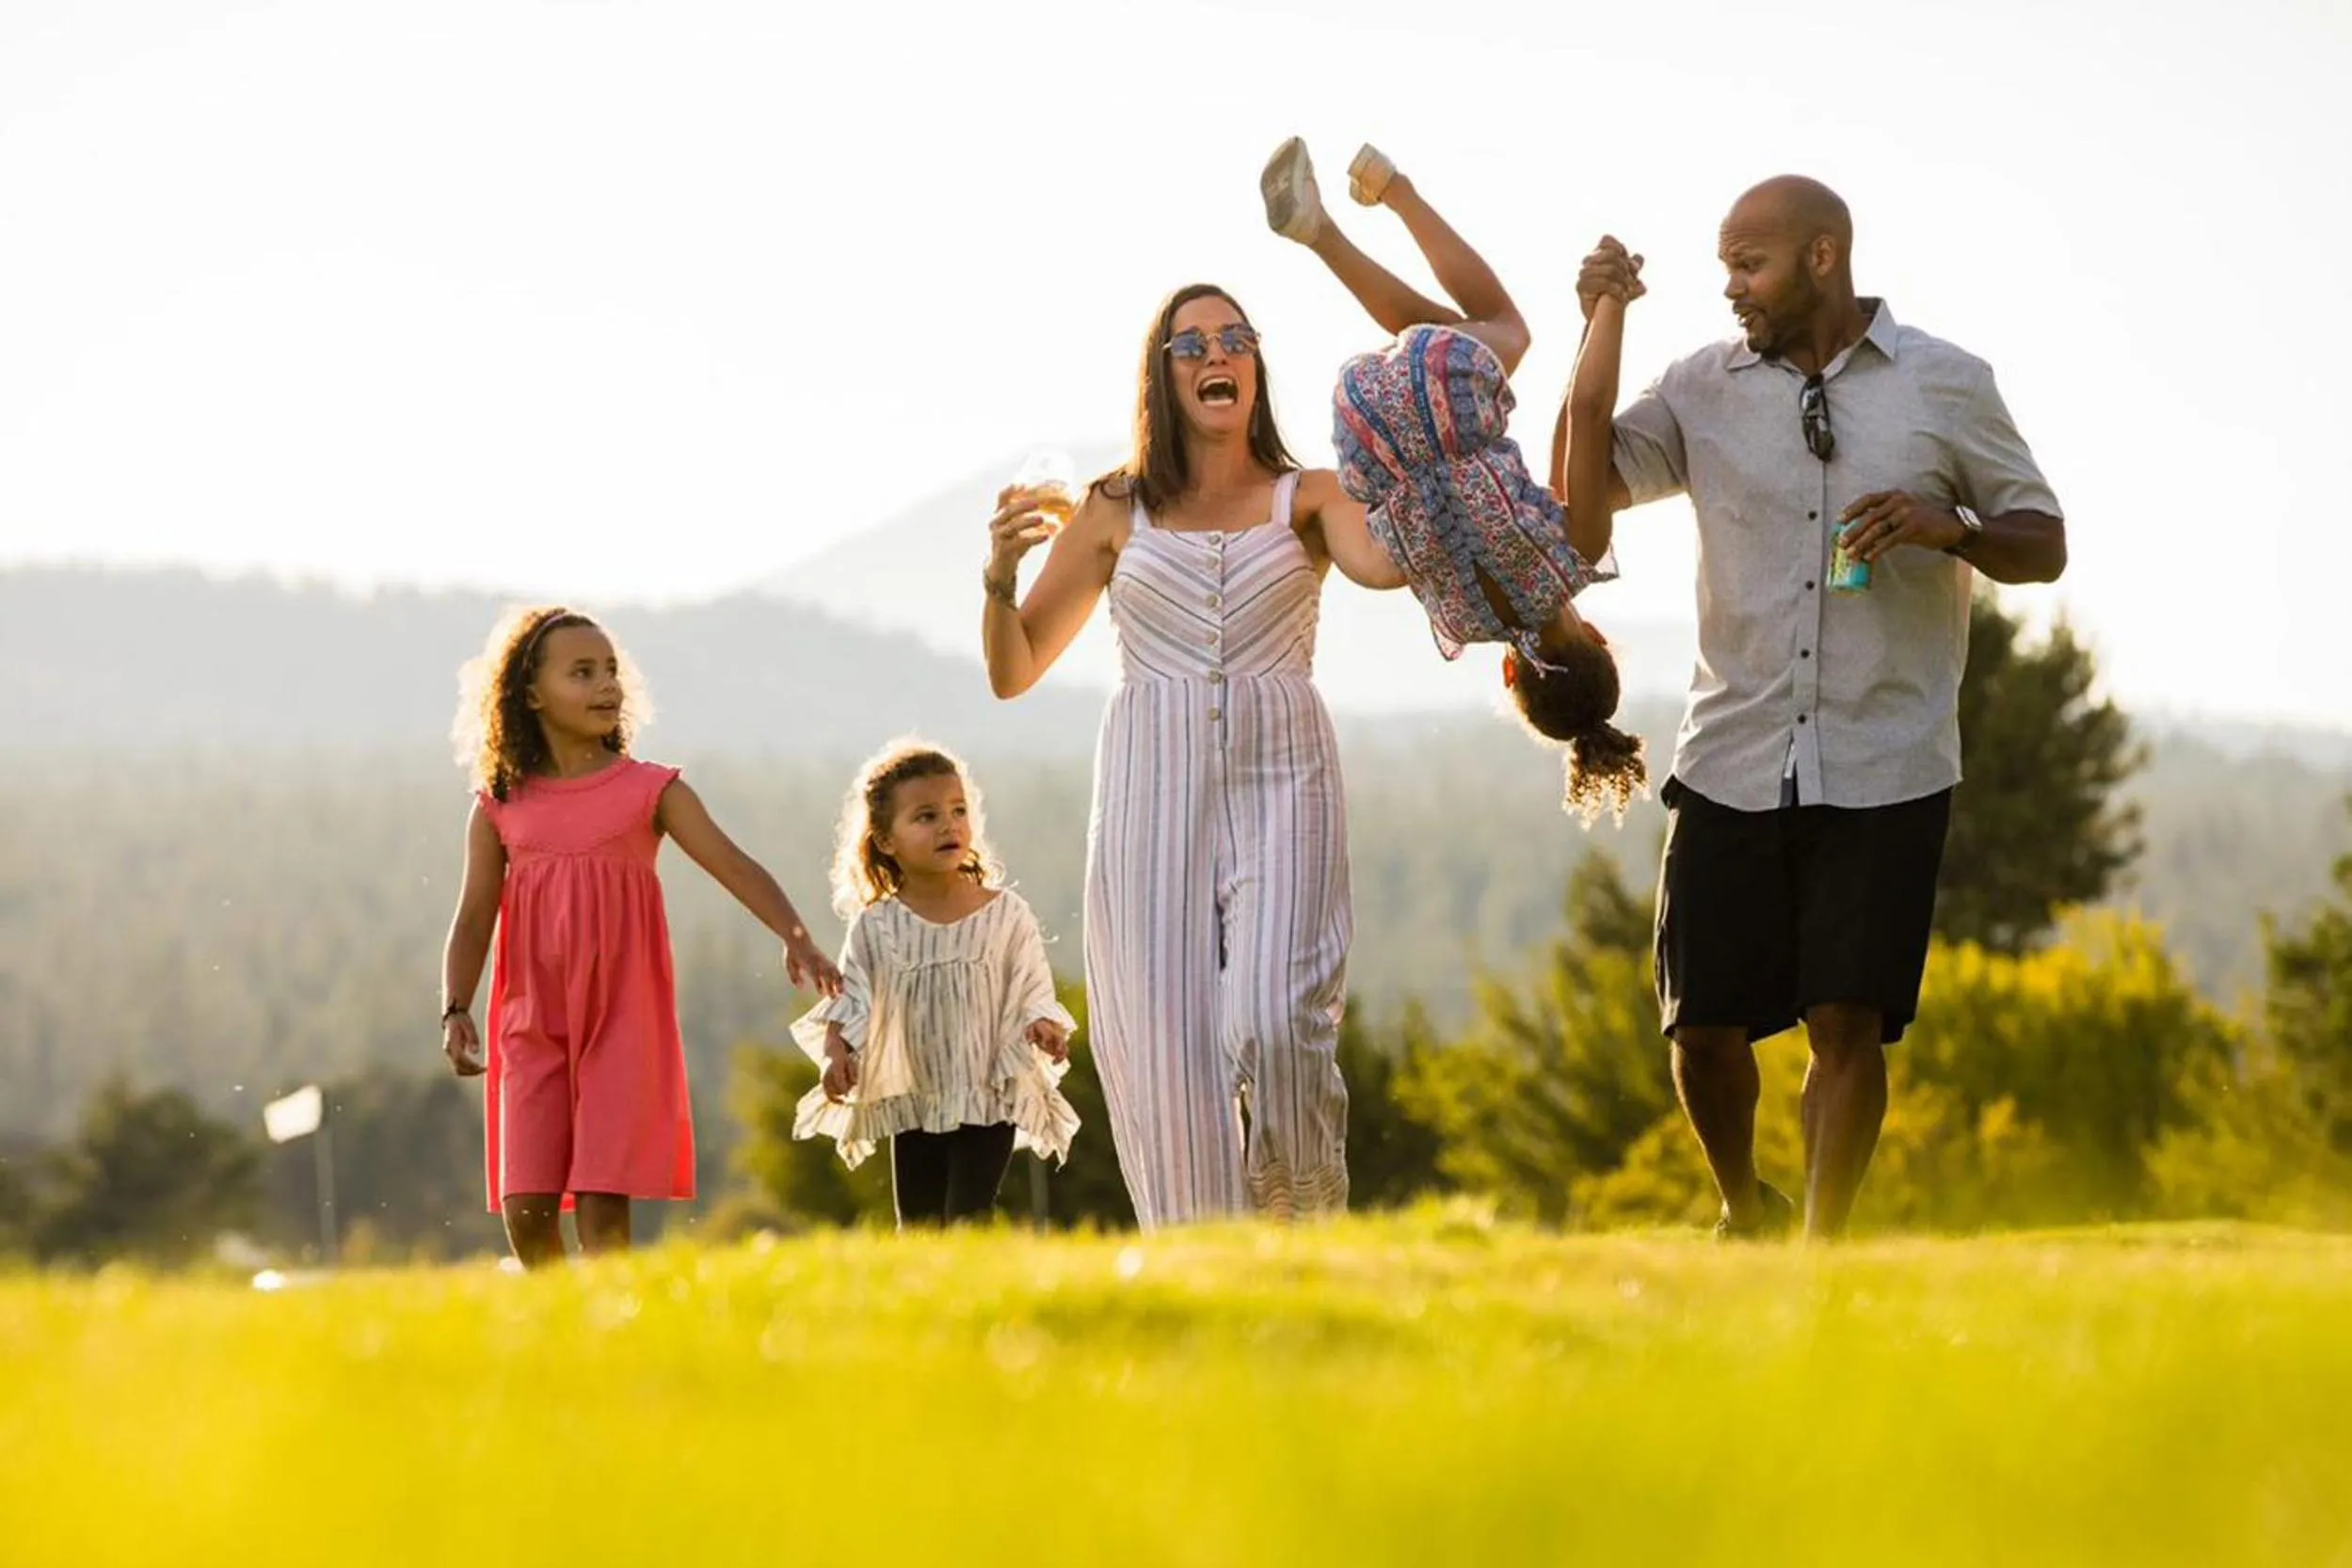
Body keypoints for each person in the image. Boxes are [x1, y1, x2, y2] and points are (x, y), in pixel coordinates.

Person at [1561, 177, 2068, 1240]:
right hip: (1734, 748)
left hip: (1887, 756)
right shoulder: (1700, 386)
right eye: (1726, 267)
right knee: (1700, 1029)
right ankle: (1744, 1208)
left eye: (1751, 265)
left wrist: (1950, 528)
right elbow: (1584, 500)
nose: (1733, 288)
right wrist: (1600, 323)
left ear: (1824, 257)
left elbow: (2043, 540)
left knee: (1849, 1020)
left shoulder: (1946, 384)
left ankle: (1819, 1256)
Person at [982, 282, 1399, 1230]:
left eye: (1236, 337)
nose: (1218, 353)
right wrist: (1000, 577)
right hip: (1148, 785)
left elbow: (1382, 565)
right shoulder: (1114, 507)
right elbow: (1014, 668)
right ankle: (1204, 1263)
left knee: (1277, 1019)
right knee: (1164, 1061)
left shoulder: (1313, 496)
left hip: (1286, 768)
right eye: (1192, 343)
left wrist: (1430, 463)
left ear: (1255, 366)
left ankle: (1306, 1219)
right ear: (1162, 377)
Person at [438, 605, 841, 1267]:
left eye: (610, 671)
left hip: (622, 1017)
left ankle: (610, 1330)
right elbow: (474, 914)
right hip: (530, 1020)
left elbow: (734, 865)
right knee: (527, 1205)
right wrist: (456, 1005)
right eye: (582, 673)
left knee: (601, 1197)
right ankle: (559, 1332)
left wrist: (797, 938)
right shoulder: (499, 804)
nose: (606, 687)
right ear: (531, 694)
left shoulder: (650, 791)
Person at [1261, 137, 1647, 821]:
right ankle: (1318, 232)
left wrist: (1609, 307)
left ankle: (1394, 190)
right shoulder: (1458, 618)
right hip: (1360, 420)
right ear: (1509, 673)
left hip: (1446, 391)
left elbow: (1585, 417)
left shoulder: (1573, 555)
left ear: (1597, 639)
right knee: (1439, 339)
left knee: (1506, 331)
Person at [789, 739, 1080, 1227]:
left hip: (986, 1094)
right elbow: (852, 1000)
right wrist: (837, 1055)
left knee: (969, 1214)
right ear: (886, 840)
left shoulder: (1006, 914)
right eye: (926, 817)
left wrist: (1043, 1025)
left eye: (958, 810)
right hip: (914, 1097)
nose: (949, 825)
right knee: (918, 1225)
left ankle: (977, 1297)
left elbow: (1031, 986)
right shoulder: (877, 925)